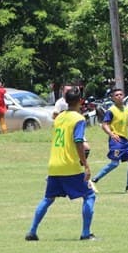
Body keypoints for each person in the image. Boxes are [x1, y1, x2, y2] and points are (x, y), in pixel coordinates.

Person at [25, 86, 97, 241]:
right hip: (70, 166)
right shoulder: (79, 119)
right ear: (80, 101)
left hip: (54, 165)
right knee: (89, 195)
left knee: (48, 198)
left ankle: (32, 231)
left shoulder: (59, 118)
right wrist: (85, 165)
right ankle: (85, 234)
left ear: (65, 101)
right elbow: (79, 142)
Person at [91, 88, 128, 194]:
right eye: (116, 95)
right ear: (113, 98)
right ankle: (93, 180)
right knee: (114, 163)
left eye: (121, 94)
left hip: (125, 141)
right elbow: (104, 125)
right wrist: (111, 134)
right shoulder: (111, 111)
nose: (119, 96)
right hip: (116, 140)